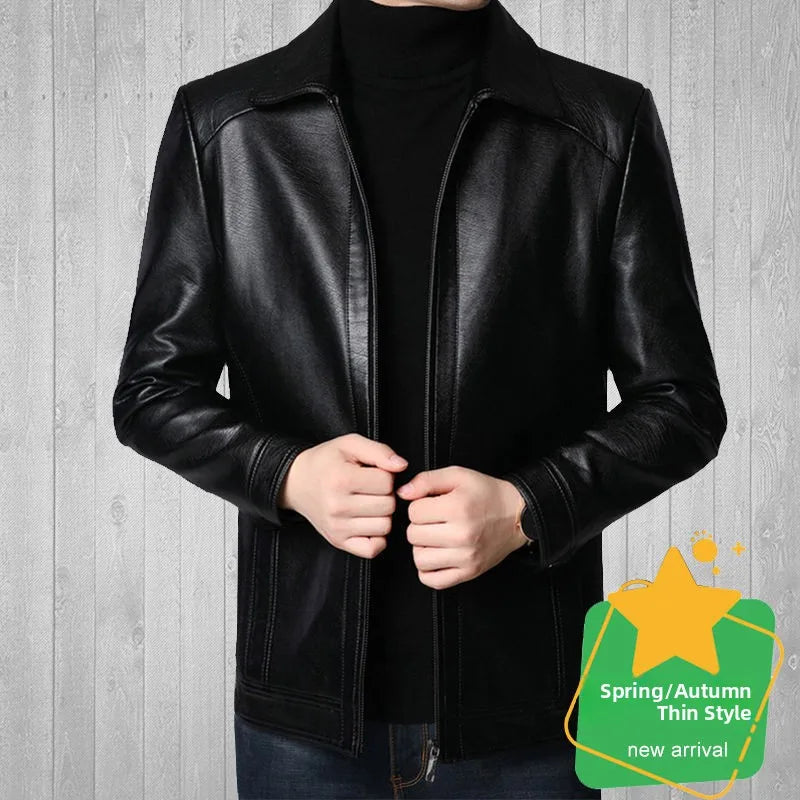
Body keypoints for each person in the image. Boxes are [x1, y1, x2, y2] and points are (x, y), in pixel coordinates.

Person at [112, 0, 727, 797]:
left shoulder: (602, 124)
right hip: (304, 719)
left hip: (530, 716)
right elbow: (152, 388)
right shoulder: (226, 125)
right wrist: (288, 475)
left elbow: (682, 402)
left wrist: (527, 507)